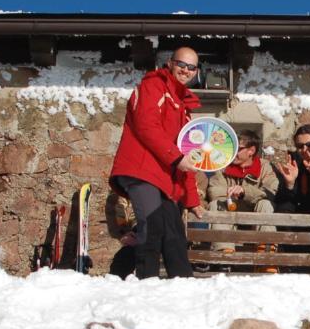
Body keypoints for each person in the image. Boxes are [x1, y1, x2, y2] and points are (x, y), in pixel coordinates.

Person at [108, 46, 204, 279]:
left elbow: (187, 156)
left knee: (174, 233)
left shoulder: (185, 109)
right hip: (141, 169)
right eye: (181, 64)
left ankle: (183, 284)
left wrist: (192, 200)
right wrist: (176, 157)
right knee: (151, 226)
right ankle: (146, 283)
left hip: (164, 178)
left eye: (191, 67)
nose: (186, 70)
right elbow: (146, 125)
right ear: (170, 63)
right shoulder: (154, 85)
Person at [204, 130, 279, 254]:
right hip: (229, 210)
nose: (233, 152)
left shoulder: (265, 167)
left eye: (238, 148)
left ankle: (266, 251)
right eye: (232, 148)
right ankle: (224, 251)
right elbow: (214, 191)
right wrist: (230, 192)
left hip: (254, 211)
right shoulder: (223, 165)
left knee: (265, 204)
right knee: (215, 204)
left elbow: (270, 191)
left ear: (251, 151)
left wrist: (245, 192)